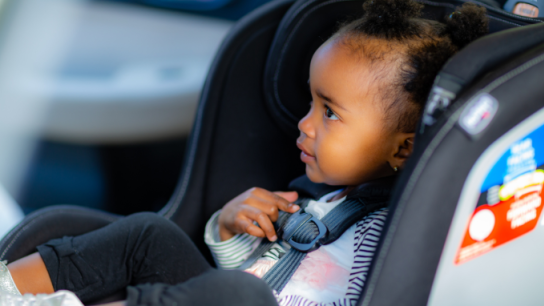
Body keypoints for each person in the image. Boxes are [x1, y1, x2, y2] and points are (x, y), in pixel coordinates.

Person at [0, 0, 489, 305]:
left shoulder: (393, 231)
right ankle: (11, 290)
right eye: (310, 103)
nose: (304, 123)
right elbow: (256, 274)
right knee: (148, 234)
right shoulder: (311, 203)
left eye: (330, 113)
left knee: (234, 294)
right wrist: (230, 232)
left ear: (404, 148)